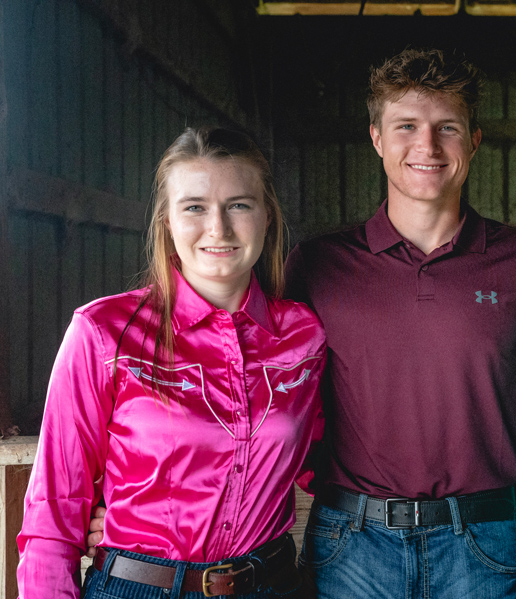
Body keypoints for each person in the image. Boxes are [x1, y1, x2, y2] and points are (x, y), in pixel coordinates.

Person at [17, 127, 326, 598]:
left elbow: (329, 464)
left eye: (239, 205)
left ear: (268, 217)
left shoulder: (304, 336)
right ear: (167, 221)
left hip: (273, 584)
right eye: (195, 207)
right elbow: (54, 508)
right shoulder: (103, 331)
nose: (218, 228)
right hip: (140, 587)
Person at [283, 49, 516, 598]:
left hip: (488, 538)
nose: (426, 146)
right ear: (377, 138)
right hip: (352, 544)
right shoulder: (317, 265)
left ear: (474, 140)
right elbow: (260, 393)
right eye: (407, 126)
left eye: (446, 127)